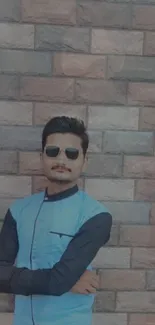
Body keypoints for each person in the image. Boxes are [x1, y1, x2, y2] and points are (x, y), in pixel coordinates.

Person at [0, 116, 112, 325]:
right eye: (53, 151)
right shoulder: (18, 211)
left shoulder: (96, 217)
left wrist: (60, 281)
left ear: (84, 161)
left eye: (72, 154)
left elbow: (59, 281)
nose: (61, 160)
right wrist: (65, 281)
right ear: (42, 157)